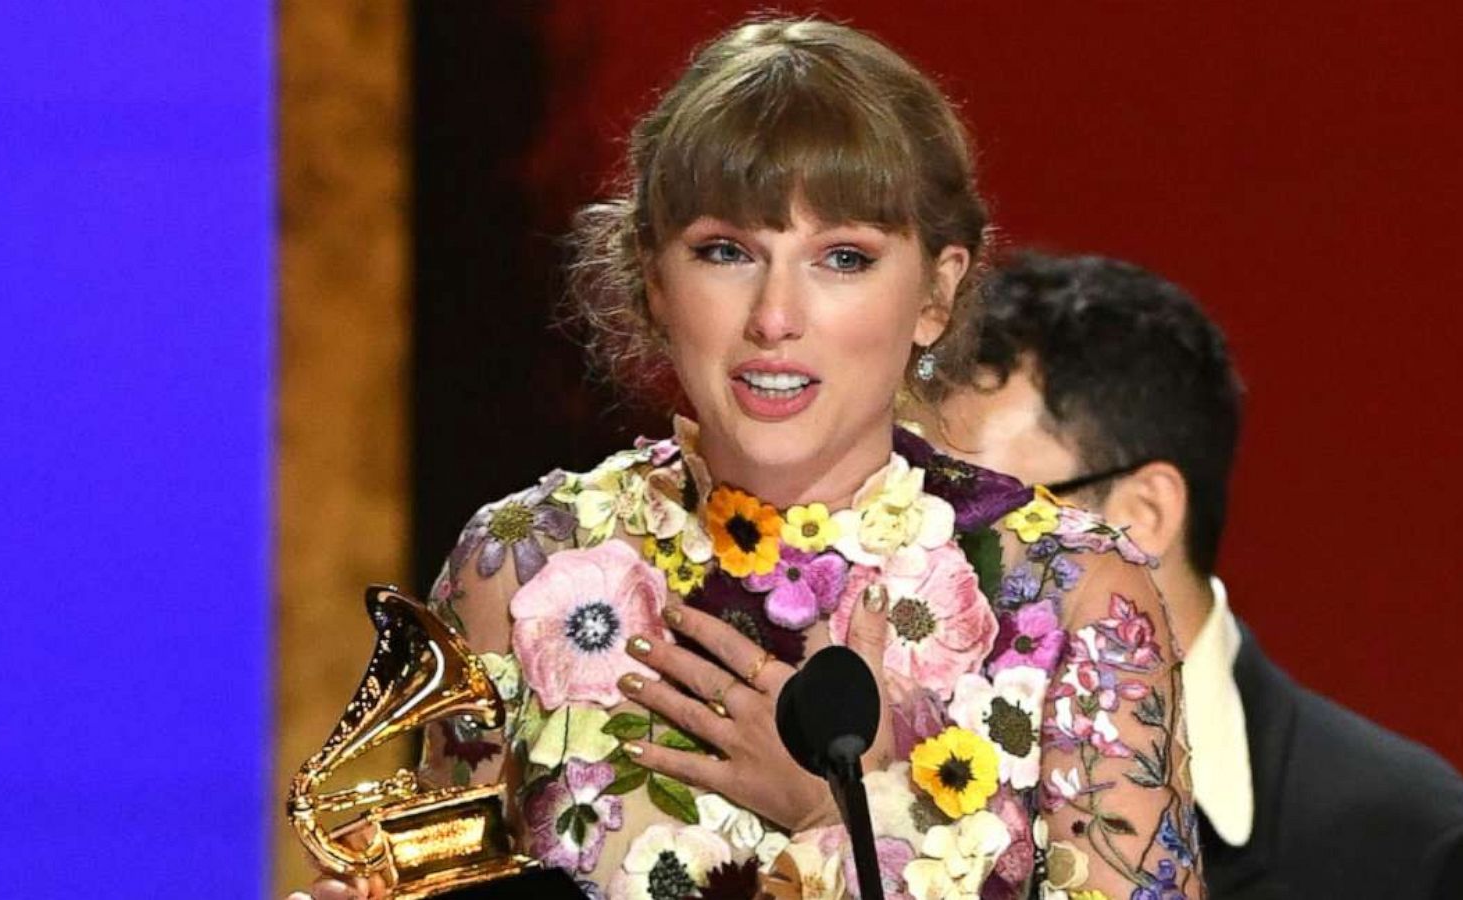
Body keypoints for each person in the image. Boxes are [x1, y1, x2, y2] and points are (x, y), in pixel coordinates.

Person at [300, 20, 1203, 900]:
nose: (775, 317)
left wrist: (848, 818)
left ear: (935, 292)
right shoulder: (522, 564)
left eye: (842, 257)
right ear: (656, 281)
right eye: (726, 252)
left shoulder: (1071, 591)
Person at [923, 250, 1463, 899]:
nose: (923, 553)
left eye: (969, 511)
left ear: (1140, 518)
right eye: (900, 507)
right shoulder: (861, 794)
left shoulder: (1403, 847)